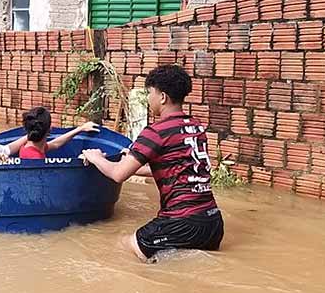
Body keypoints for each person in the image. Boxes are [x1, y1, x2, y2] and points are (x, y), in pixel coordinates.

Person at [81, 65, 223, 262]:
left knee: (122, 245)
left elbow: (118, 174)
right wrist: (133, 164)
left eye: (150, 93)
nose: (148, 99)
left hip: (181, 220)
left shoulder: (156, 131)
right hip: (212, 223)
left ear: (162, 97)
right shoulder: (196, 126)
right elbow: (174, 169)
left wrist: (96, 157)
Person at [19, 106, 99, 159]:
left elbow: (55, 144)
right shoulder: (36, 158)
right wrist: (79, 160)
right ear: (50, 129)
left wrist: (80, 129)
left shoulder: (30, 147)